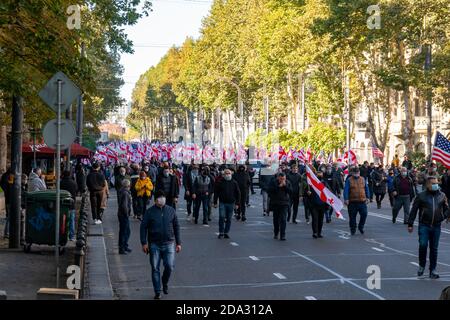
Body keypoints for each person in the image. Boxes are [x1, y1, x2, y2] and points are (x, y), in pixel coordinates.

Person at [140, 190, 181, 300]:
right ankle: (157, 291)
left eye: (163, 197)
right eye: (160, 197)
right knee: (155, 268)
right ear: (155, 200)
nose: (162, 199)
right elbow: (143, 227)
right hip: (154, 244)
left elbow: (176, 227)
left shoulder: (171, 210)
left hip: (169, 243)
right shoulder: (149, 212)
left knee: (169, 266)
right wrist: (144, 243)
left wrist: (179, 243)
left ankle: (164, 282)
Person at [407, 176, 450, 279]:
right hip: (424, 225)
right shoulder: (421, 196)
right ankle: (422, 265)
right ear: (428, 185)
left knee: (434, 249)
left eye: (436, 183)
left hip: (436, 226)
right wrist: (410, 224)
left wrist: (443, 217)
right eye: (433, 183)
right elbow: (414, 210)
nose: (436, 185)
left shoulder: (442, 195)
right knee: (423, 245)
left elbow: (447, 208)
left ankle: (433, 270)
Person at [213, 169, 241, 239]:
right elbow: (216, 193)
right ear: (223, 174)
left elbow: (238, 193)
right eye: (226, 173)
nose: (227, 174)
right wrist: (215, 202)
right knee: (221, 217)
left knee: (229, 218)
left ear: (231, 174)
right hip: (222, 202)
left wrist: (237, 203)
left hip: (231, 203)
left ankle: (226, 232)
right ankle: (221, 232)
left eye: (229, 173)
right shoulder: (220, 182)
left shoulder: (234, 182)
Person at [344, 166, 370, 235]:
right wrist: (346, 199)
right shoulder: (349, 180)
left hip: (362, 201)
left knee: (364, 214)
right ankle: (353, 229)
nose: (357, 174)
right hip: (352, 202)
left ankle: (361, 227)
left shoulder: (363, 179)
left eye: (358, 172)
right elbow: (346, 190)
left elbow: (366, 188)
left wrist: (368, 197)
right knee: (352, 217)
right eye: (355, 173)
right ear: (352, 173)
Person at [268, 172, 292, 241]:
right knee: (276, 219)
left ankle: (282, 235)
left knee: (283, 219)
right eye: (281, 179)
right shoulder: (273, 182)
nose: (282, 180)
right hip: (276, 203)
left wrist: (285, 186)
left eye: (284, 178)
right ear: (278, 178)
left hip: (284, 203)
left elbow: (291, 192)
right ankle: (276, 232)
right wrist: (278, 187)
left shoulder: (288, 182)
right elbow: (269, 191)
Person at [310, 169, 330, 238]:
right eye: (318, 174)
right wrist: (308, 193)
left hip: (322, 204)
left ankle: (319, 232)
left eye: (320, 174)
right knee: (315, 219)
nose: (319, 175)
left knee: (320, 220)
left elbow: (328, 192)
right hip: (314, 204)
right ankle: (315, 232)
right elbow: (307, 192)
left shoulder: (324, 183)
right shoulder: (312, 183)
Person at [60, 170, 78, 241]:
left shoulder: (61, 183)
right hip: (71, 204)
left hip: (62, 204)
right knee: (71, 220)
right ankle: (71, 236)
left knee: (62, 220)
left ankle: (63, 235)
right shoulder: (73, 183)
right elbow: (76, 190)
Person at [118, 179, 132, 255]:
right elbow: (124, 205)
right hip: (123, 215)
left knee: (125, 231)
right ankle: (122, 248)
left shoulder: (122, 191)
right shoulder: (125, 193)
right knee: (125, 232)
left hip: (121, 214)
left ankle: (124, 245)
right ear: (128, 186)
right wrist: (127, 214)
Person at [1, 168, 13, 239]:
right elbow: (9, 188)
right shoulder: (9, 176)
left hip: (7, 199)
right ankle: (7, 232)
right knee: (9, 217)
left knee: (9, 216)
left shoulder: (5, 176)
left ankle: (7, 232)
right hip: (9, 199)